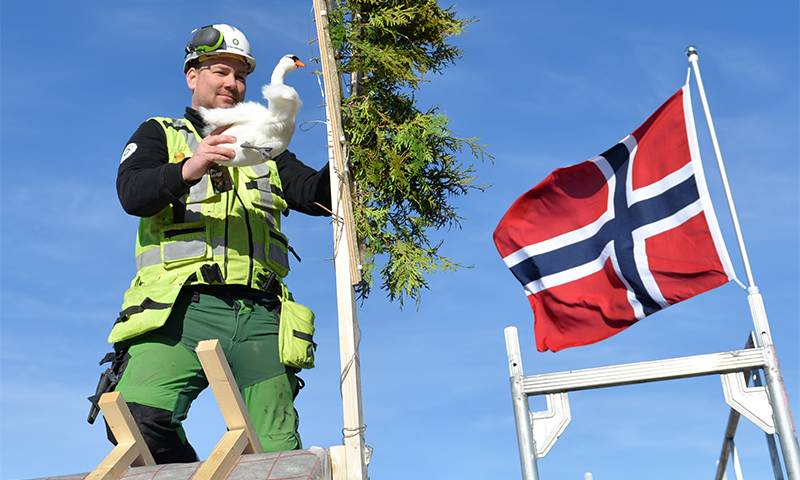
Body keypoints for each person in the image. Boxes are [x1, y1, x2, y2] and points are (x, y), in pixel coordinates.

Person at [104, 24, 331, 463]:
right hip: (181, 311)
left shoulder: (266, 147)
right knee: (135, 423)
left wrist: (354, 148)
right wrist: (191, 165)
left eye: (240, 76)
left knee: (276, 456)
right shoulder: (159, 133)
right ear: (193, 75)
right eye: (220, 71)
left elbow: (318, 197)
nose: (232, 83)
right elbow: (132, 193)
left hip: (261, 318)